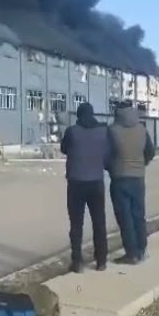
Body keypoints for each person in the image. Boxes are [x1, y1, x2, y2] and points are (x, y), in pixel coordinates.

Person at [60, 102, 110, 272]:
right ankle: (101, 261)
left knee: (76, 224)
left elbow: (64, 149)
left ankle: (77, 262)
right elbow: (107, 153)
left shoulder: (71, 131)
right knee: (99, 222)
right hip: (96, 182)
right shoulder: (103, 131)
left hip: (76, 183)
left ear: (79, 115)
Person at [107, 101, 155, 264]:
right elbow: (150, 152)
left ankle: (131, 253)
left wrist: (112, 168)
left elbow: (106, 155)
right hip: (138, 178)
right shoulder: (142, 129)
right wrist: (141, 164)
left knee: (125, 217)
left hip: (119, 179)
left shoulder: (112, 130)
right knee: (138, 215)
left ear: (117, 112)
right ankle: (142, 249)